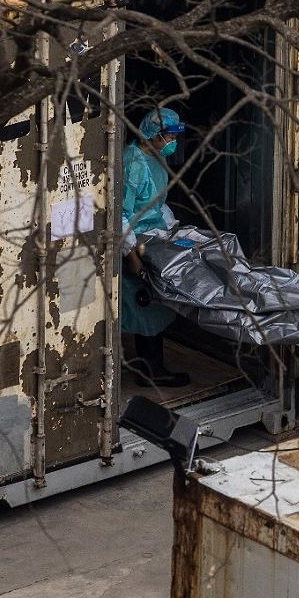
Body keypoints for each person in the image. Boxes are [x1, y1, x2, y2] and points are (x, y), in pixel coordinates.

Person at [121, 107, 190, 388]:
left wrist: (171, 229)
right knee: (144, 305)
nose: (173, 142)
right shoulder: (133, 164)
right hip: (136, 242)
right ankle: (150, 371)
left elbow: (157, 204)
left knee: (156, 304)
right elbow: (121, 214)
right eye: (169, 136)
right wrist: (131, 255)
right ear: (154, 134)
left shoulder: (156, 159)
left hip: (154, 235)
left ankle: (152, 367)